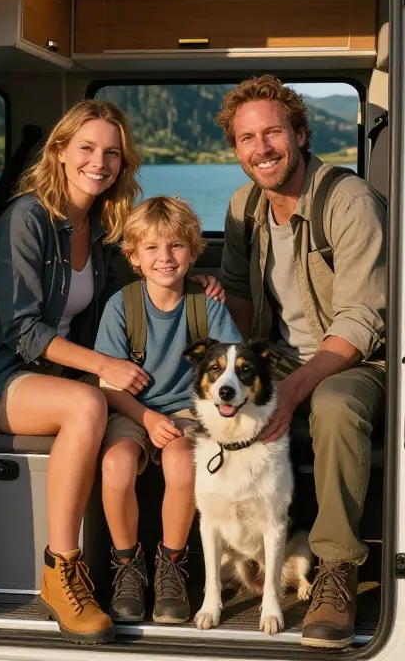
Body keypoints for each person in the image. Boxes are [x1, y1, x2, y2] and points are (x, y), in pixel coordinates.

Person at [0, 100, 222, 645]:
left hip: (60, 373)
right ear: (59, 152)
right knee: (89, 403)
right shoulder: (26, 218)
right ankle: (62, 572)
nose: (98, 162)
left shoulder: (100, 225)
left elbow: (120, 303)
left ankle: (147, 565)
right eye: (86, 148)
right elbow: (22, 333)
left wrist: (208, 284)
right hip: (0, 378)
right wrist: (103, 367)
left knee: (98, 402)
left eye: (112, 153)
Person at [215, 75, 387, 650]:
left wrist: (292, 390)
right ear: (236, 149)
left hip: (354, 359)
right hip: (279, 358)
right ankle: (183, 558)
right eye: (246, 138)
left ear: (301, 134)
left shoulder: (348, 199)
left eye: (272, 133)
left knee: (334, 406)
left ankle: (337, 568)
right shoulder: (244, 206)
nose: (261, 148)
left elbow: (362, 319)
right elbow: (239, 297)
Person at [93, 196, 241, 625]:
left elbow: (228, 371)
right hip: (132, 410)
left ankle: (172, 566)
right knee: (117, 465)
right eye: (152, 248)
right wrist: (145, 419)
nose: (165, 257)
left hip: (189, 413)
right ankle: (126, 567)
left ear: (193, 252)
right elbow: (109, 385)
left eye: (176, 247)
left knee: (181, 465)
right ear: (134, 257)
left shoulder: (206, 305)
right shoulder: (122, 306)